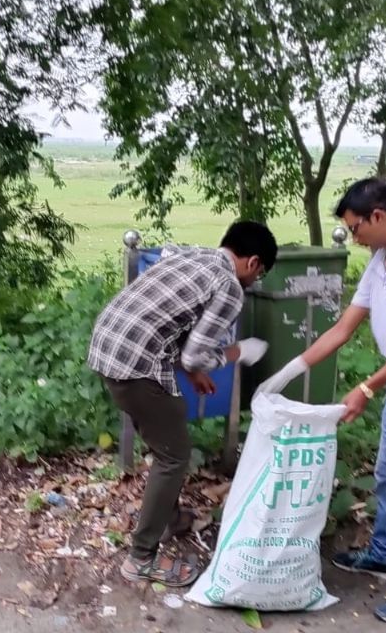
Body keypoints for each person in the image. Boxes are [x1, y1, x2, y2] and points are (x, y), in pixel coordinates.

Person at [254, 178, 386, 623]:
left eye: (355, 228)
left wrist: (367, 388)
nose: (354, 237)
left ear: (378, 216)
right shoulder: (380, 262)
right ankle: (385, 556)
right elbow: (342, 329)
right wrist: (287, 373)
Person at [87, 221, 277, 586]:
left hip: (108, 347)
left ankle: (169, 520)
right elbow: (194, 355)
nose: (255, 282)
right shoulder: (230, 287)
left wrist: (191, 371)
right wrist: (241, 351)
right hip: (137, 367)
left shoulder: (195, 255)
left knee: (166, 444)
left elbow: (173, 322)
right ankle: (140, 558)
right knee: (174, 456)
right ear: (253, 262)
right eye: (260, 273)